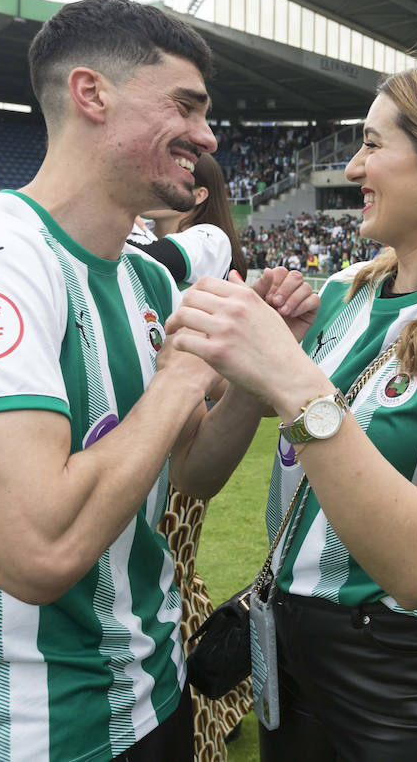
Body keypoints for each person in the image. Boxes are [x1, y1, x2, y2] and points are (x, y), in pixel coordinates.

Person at [0, 0, 286, 760]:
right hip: (25, 732)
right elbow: (37, 553)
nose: (208, 134)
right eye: (186, 106)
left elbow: (187, 472)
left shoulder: (148, 281)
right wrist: (179, 378)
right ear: (92, 94)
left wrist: (258, 377)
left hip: (155, 698)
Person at [165, 57, 417, 760]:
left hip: (400, 677)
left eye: (374, 144)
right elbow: (195, 476)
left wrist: (294, 381)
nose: (353, 168)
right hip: (289, 643)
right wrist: (258, 372)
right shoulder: (346, 292)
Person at [127, 151, 255, 761]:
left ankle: (207, 718)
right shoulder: (166, 254)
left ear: (199, 195)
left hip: (175, 448)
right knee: (173, 586)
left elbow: (221, 378)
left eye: (176, 166)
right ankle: (228, 694)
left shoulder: (203, 261)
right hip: (149, 441)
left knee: (168, 584)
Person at [126, 152, 248, 287]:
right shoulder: (135, 226)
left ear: (199, 195)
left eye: (170, 178)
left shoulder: (211, 239)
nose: (154, 184)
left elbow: (151, 261)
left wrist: (114, 218)